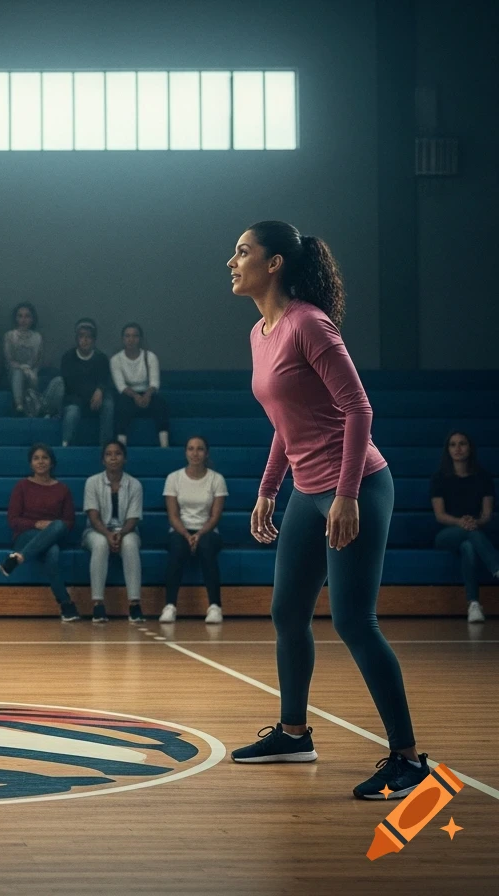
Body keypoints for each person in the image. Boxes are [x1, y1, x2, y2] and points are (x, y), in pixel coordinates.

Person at [228, 220, 431, 800]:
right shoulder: (259, 332)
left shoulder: (309, 324)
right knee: (287, 612)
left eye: (243, 251)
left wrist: (345, 495)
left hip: (356, 485)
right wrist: (268, 487)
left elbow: (359, 410)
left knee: (352, 620)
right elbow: (284, 420)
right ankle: (294, 734)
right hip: (306, 491)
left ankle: (408, 759)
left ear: (274, 265)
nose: (231, 260)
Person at [0, 443, 78, 621]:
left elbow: (69, 522)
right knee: (53, 551)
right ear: (30, 463)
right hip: (25, 536)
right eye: (36, 458)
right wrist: (36, 524)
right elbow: (13, 520)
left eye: (45, 458)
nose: (41, 462)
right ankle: (65, 603)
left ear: (52, 462)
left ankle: (18, 558)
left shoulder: (62, 489)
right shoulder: (22, 486)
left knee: (57, 526)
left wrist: (50, 526)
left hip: (55, 533)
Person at [431, 430, 497, 624]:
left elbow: (487, 514)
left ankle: (474, 604)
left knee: (468, 546)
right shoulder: (440, 478)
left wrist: (476, 522)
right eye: (453, 444)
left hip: (474, 531)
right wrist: (461, 522)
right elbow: (440, 515)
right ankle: (497, 566)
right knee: (471, 535)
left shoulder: (483, 477)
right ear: (448, 450)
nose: (458, 448)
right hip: (447, 534)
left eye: (462, 444)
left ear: (470, 448)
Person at [161, 436, 228, 624]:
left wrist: (198, 534)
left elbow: (215, 516)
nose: (195, 453)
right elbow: (173, 515)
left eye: (199, 449)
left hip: (208, 531)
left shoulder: (217, 479)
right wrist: (186, 534)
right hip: (180, 530)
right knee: (177, 547)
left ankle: (215, 606)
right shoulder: (174, 478)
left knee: (206, 547)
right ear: (185, 452)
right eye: (190, 449)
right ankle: (170, 606)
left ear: (206, 453)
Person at [82, 440, 144, 623]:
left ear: (124, 458)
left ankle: (134, 604)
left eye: (117, 454)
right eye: (108, 454)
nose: (113, 458)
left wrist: (120, 534)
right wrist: (108, 535)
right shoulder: (92, 482)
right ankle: (98, 604)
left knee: (131, 543)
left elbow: (133, 518)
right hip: (96, 530)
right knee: (101, 544)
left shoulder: (135, 484)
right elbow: (93, 516)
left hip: (126, 530)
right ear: (103, 460)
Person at [44, 318, 115, 447]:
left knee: (109, 405)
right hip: (74, 400)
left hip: (96, 401)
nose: (85, 340)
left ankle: (106, 447)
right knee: (72, 413)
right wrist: (93, 393)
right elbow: (71, 386)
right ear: (76, 338)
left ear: (94, 339)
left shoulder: (102, 358)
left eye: (89, 337)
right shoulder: (68, 357)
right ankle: (67, 446)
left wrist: (100, 390)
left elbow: (104, 380)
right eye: (81, 336)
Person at [111, 323, 170, 447]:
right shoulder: (116, 359)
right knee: (120, 406)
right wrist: (136, 396)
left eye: (135, 336)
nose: (131, 340)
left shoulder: (151, 357)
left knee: (161, 404)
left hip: (147, 393)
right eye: (127, 336)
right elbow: (120, 385)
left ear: (140, 339)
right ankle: (121, 446)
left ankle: (164, 444)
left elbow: (155, 382)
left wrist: (147, 395)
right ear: (123, 339)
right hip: (128, 395)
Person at [3, 302, 43, 416]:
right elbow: (8, 359)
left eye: (27, 316)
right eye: (20, 316)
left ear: (32, 319)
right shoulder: (9, 336)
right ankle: (19, 405)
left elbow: (37, 360)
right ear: (16, 318)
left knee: (33, 377)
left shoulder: (37, 337)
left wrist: (30, 370)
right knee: (18, 373)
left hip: (32, 372)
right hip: (13, 372)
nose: (23, 320)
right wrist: (22, 368)